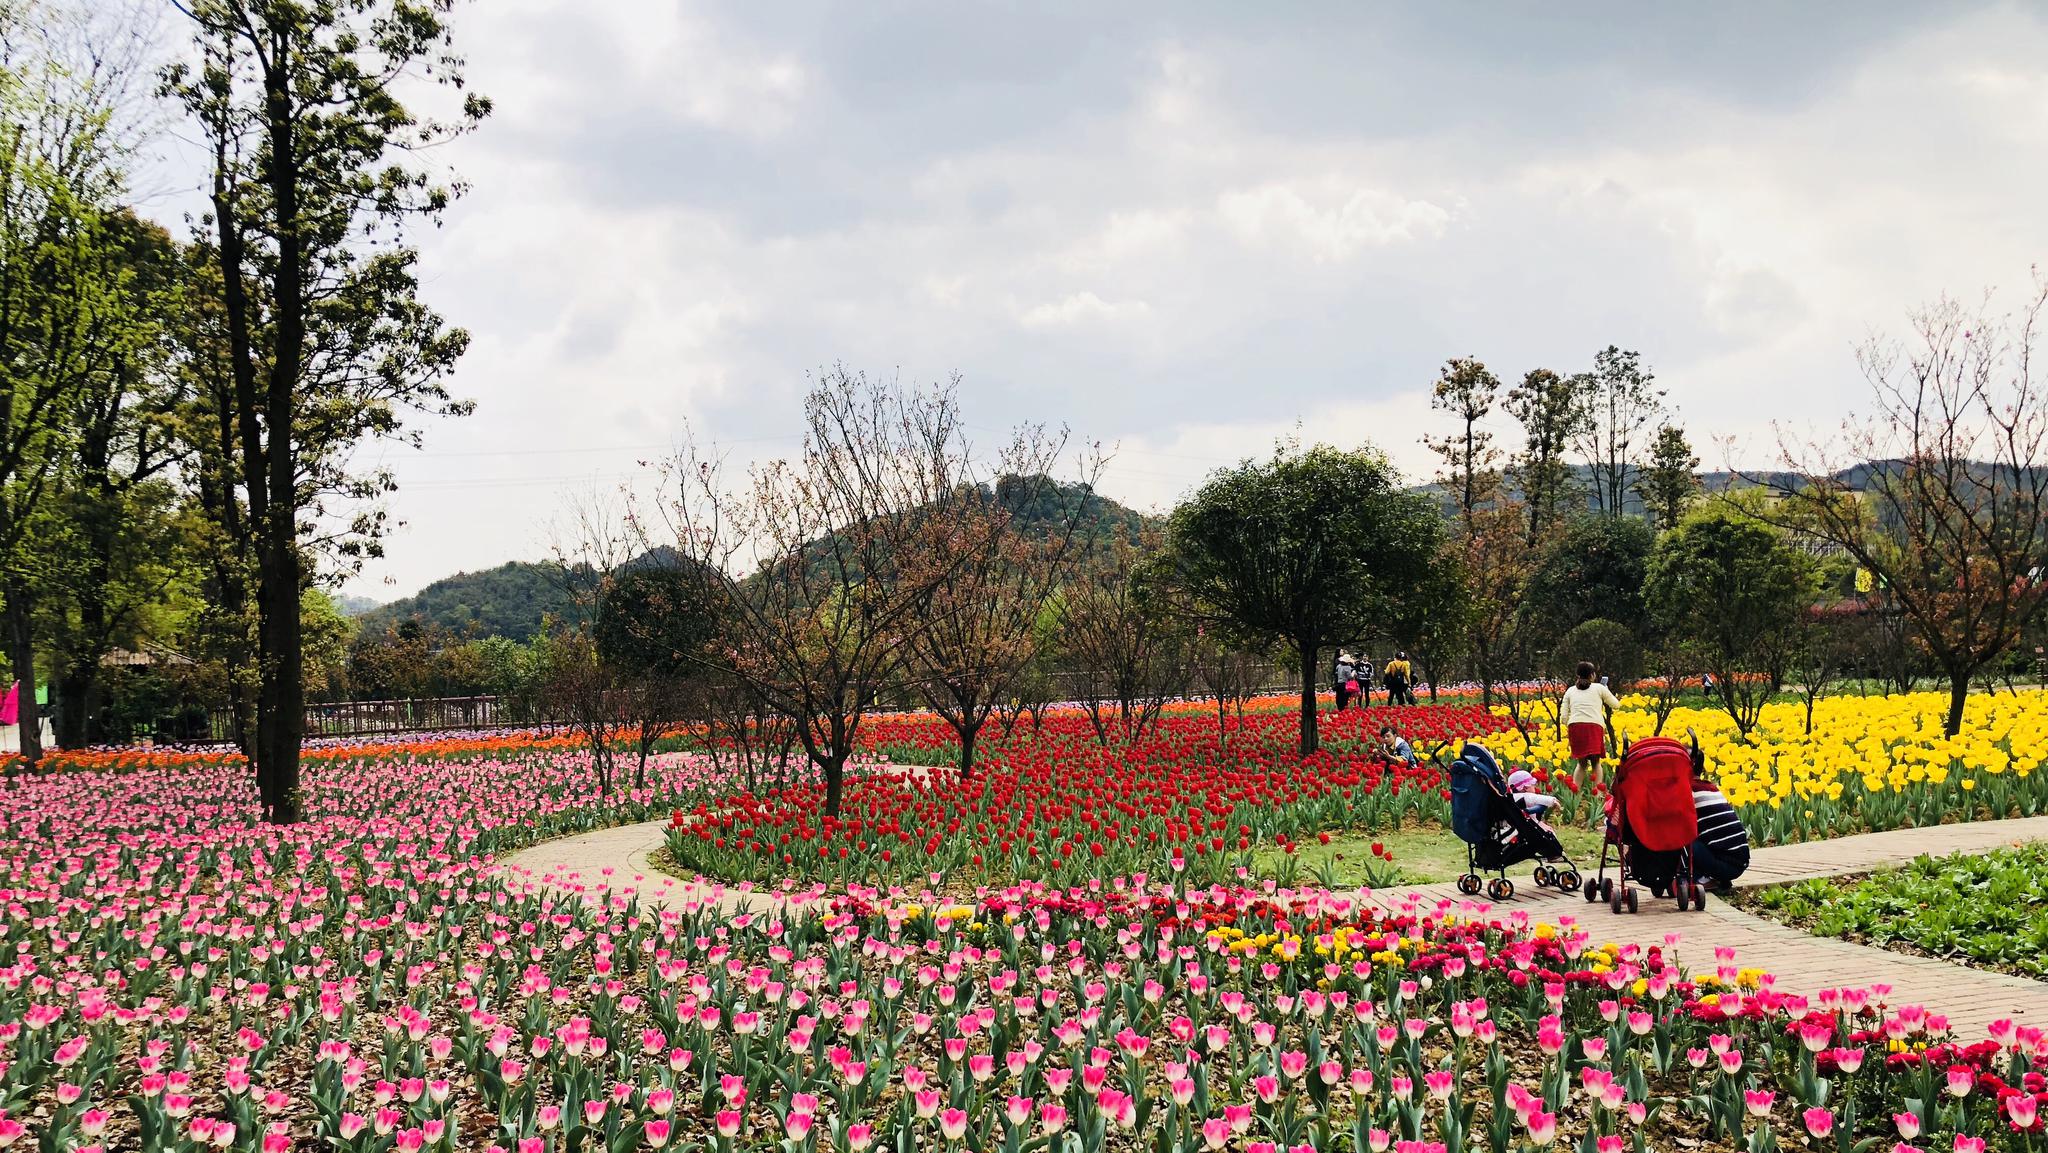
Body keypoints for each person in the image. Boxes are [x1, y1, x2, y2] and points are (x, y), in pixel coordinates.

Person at [1561, 661, 1620, 812]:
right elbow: (1616, 705)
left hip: (1575, 727)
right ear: (1593, 675)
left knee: (1581, 763)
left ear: (1577, 675)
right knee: (1596, 762)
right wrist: (1606, 690)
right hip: (1593, 727)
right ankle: (1598, 795)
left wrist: (1571, 724)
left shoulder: (1570, 691)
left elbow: (1563, 716)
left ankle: (1574, 794)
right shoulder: (1599, 688)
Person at [1689, 765, 1751, 892]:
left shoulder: (1690, 791)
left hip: (1726, 864)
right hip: (1739, 861)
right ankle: (1718, 878)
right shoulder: (1711, 788)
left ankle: (1701, 879)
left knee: (1682, 841)